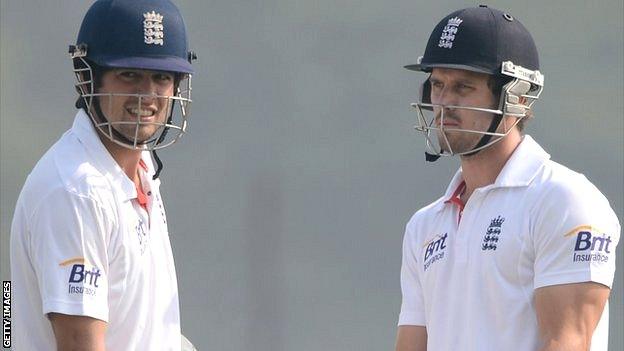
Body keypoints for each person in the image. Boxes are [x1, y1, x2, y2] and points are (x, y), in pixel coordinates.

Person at [396, 5, 620, 351]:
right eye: (438, 85)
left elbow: (568, 342)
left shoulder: (564, 200)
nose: (443, 103)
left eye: (463, 87)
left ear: (515, 97)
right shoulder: (424, 226)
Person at [10, 0, 197, 349]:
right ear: (87, 75)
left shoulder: (141, 173)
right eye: (129, 75)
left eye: (161, 77)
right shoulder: (76, 190)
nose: (148, 95)